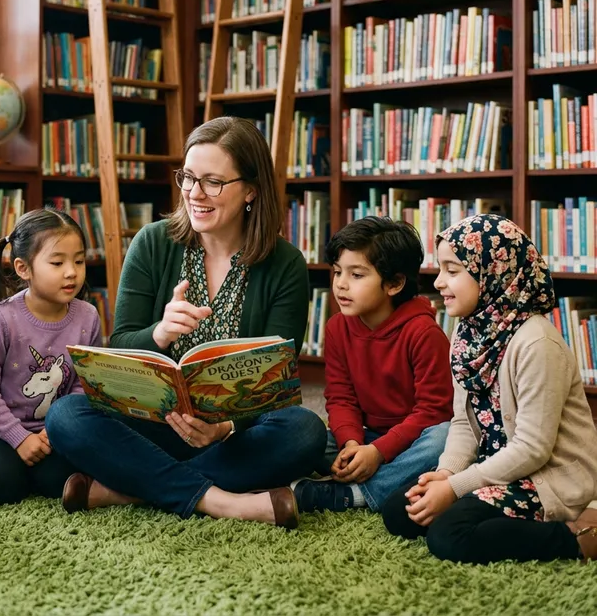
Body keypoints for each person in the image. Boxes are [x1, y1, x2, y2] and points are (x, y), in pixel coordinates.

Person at [45, 116, 327, 528]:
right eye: (189, 177)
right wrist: (160, 333)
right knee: (66, 415)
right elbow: (119, 345)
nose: (195, 193)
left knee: (304, 430)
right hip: (151, 424)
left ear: (251, 190)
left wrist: (224, 427)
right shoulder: (152, 242)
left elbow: (274, 381)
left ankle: (130, 488)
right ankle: (222, 501)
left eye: (213, 181)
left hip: (230, 438)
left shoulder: (285, 264)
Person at [382, 214, 597, 563]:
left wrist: (455, 489)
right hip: (492, 470)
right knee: (398, 511)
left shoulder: (537, 343)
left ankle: (578, 539)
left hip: (543, 478)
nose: (438, 282)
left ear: (493, 272)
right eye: (440, 269)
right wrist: (447, 473)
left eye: (453, 271)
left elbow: (533, 449)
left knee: (449, 536)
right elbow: (463, 422)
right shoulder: (467, 334)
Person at [292, 217, 453, 513]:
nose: (341, 284)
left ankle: (356, 494)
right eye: (337, 271)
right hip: (367, 435)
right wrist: (351, 444)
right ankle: (375, 474)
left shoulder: (424, 333)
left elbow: (434, 412)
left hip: (414, 440)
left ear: (394, 283)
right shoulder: (337, 327)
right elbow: (340, 397)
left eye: (356, 275)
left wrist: (378, 452)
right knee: (305, 431)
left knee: (444, 439)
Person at [0, 209, 102, 504]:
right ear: (23, 268)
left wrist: (50, 433)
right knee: (4, 486)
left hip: (51, 430)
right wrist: (19, 438)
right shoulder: (1, 320)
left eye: (79, 261)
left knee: (59, 480)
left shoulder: (89, 317)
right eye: (57, 263)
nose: (71, 272)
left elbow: (83, 384)